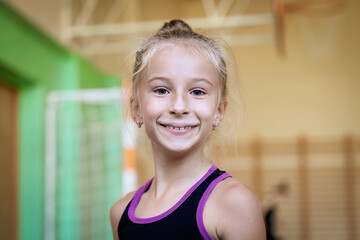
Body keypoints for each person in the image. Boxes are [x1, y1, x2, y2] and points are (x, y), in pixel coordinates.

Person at [110, 19, 265, 240]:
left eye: (198, 91)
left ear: (219, 111)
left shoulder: (234, 203)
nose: (179, 106)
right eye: (162, 90)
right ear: (136, 109)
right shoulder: (120, 213)